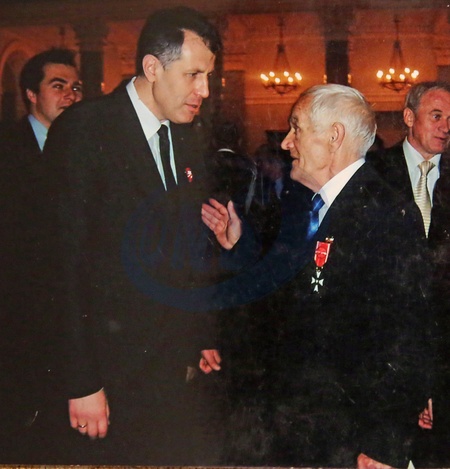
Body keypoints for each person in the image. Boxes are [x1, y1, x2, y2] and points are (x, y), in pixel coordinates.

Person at [203, 84, 433, 468]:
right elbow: (286, 296)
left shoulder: (386, 214)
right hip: (296, 428)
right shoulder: (304, 206)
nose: (286, 143)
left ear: (334, 136)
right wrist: (238, 246)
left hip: (347, 440)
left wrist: (383, 445)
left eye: (296, 128)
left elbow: (405, 336)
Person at [41, 7, 223, 465]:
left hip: (168, 368)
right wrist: (82, 382)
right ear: (152, 67)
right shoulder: (85, 130)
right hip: (107, 372)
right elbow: (62, 265)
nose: (204, 90)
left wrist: (198, 333)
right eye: (194, 75)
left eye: (208, 76)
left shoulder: (186, 135)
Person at [0, 48, 82, 462]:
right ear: (31, 94)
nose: (70, 95)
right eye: (58, 85)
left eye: (75, 87)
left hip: (71, 309)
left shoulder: (84, 150)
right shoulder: (8, 151)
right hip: (19, 312)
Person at [367, 81, 450, 465]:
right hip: (389, 342)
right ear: (408, 117)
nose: (446, 127)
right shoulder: (373, 174)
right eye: (437, 116)